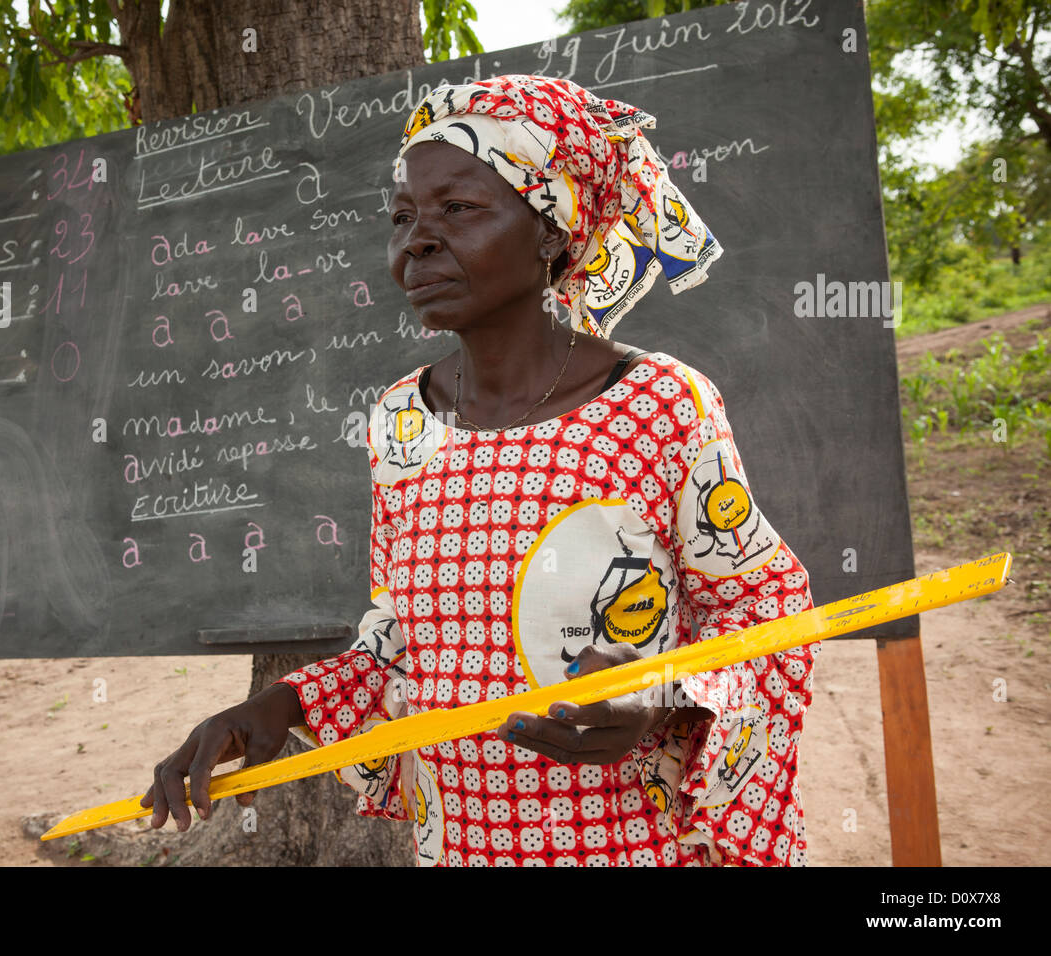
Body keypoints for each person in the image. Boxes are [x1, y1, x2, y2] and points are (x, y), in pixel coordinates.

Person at [141, 74, 819, 867]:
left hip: (632, 846)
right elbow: (405, 645)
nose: (417, 240)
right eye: (403, 218)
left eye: (457, 209)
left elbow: (769, 613)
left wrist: (660, 692)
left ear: (550, 231)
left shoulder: (658, 404)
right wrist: (275, 704)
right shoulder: (401, 421)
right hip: (463, 848)